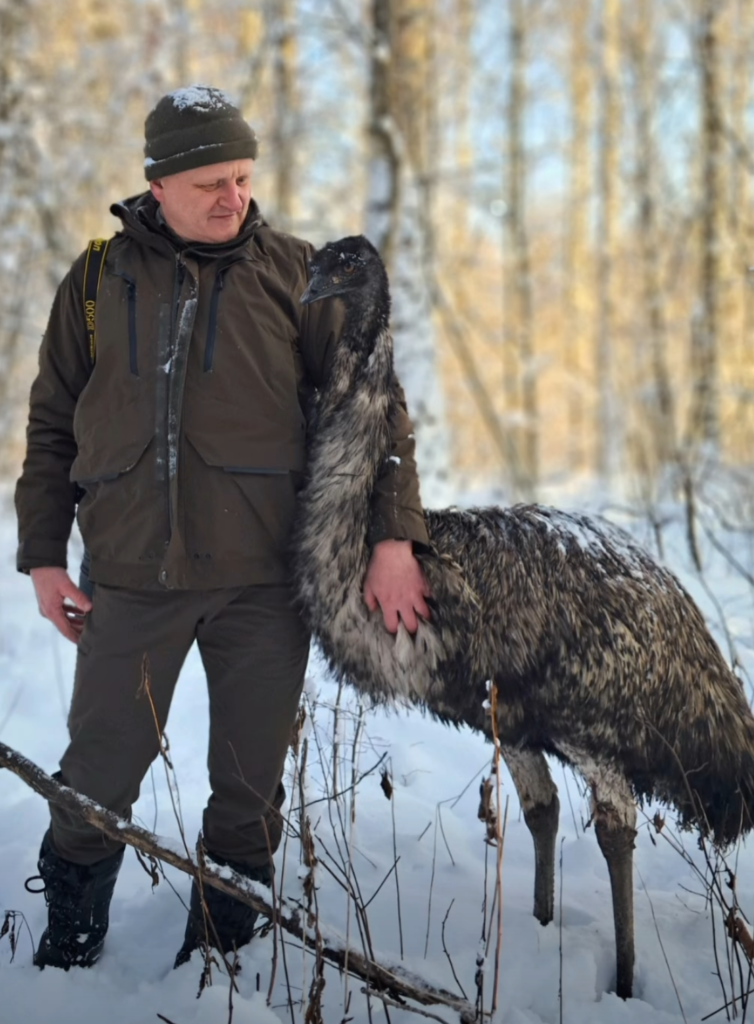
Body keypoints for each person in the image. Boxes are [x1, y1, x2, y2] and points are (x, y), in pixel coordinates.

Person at [15, 84, 431, 971]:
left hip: (262, 584)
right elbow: (52, 422)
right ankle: (69, 942)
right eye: (209, 180)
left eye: (241, 176)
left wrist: (394, 538)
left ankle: (221, 953)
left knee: (247, 791)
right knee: (96, 776)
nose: (231, 196)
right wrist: (45, 556)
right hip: (131, 577)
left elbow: (375, 411)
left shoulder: (300, 274)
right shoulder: (96, 281)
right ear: (157, 184)